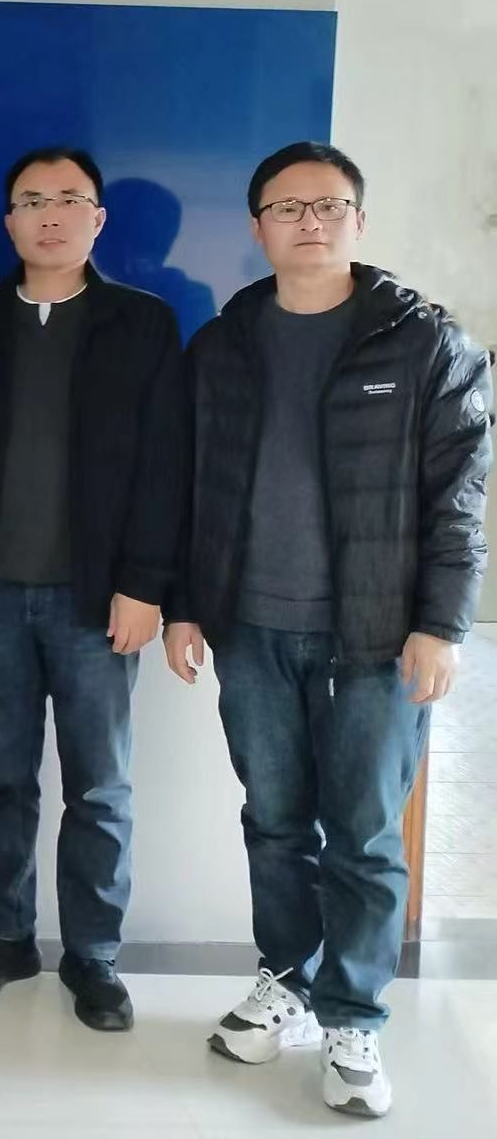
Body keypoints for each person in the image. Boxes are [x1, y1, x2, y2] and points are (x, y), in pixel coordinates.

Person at [165, 141, 492, 1118]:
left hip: (375, 637)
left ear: (358, 219)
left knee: (362, 833)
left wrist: (440, 623)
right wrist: (185, 603)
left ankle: (354, 1017)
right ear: (257, 226)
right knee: (273, 821)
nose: (308, 222)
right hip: (251, 629)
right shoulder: (222, 344)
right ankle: (287, 982)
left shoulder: (423, 342)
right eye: (288, 207)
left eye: (328, 205)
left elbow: (460, 497)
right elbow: (190, 488)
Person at [0, 146, 185, 1032]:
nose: (50, 215)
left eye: (69, 199)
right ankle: (2, 936)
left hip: (96, 600)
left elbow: (164, 465)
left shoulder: (141, 324)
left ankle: (94, 954)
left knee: (99, 788)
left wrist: (145, 584)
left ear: (97, 219)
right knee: (1, 777)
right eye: (31, 200)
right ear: (9, 222)